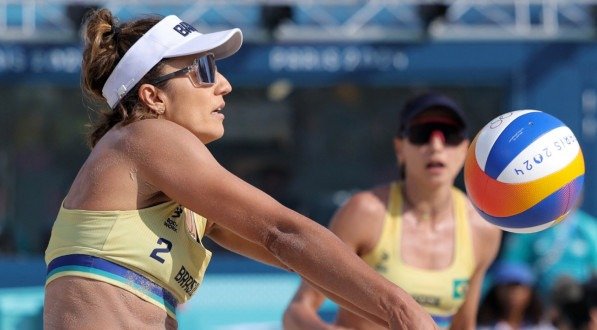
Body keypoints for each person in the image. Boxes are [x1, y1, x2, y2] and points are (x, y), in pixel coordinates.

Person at [42, 9, 438, 330]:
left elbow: (296, 257)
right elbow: (282, 233)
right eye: (203, 70)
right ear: (153, 97)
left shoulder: (176, 190)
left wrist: (395, 319)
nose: (225, 85)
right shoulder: (144, 136)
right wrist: (403, 310)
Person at [283, 92, 502, 330]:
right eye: (421, 134)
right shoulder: (365, 212)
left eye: (450, 135)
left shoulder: (483, 227)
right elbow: (297, 310)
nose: (436, 146)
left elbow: (463, 326)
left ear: (464, 150)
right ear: (400, 148)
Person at [477, 261, 556, 330]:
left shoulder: (542, 327)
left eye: (518, 287)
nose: (513, 294)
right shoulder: (482, 327)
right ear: (496, 291)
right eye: (508, 287)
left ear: (530, 292)